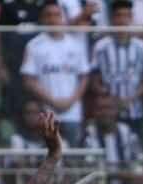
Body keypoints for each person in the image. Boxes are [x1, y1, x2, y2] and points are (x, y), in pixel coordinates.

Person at [21, 1, 91, 144]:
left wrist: (70, 101)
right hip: (46, 113)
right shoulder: (34, 45)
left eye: (57, 15)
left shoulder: (76, 44)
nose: (53, 19)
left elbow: (84, 77)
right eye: (48, 15)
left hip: (73, 113)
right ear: (42, 19)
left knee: (74, 159)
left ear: (63, 17)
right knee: (51, 157)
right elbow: (28, 79)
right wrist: (53, 102)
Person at [90, 1, 143, 132]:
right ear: (112, 18)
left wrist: (130, 98)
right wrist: (110, 98)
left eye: (126, 16)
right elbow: (94, 80)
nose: (122, 20)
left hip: (134, 110)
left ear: (131, 18)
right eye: (118, 15)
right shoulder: (101, 47)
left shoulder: (142, 47)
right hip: (108, 112)